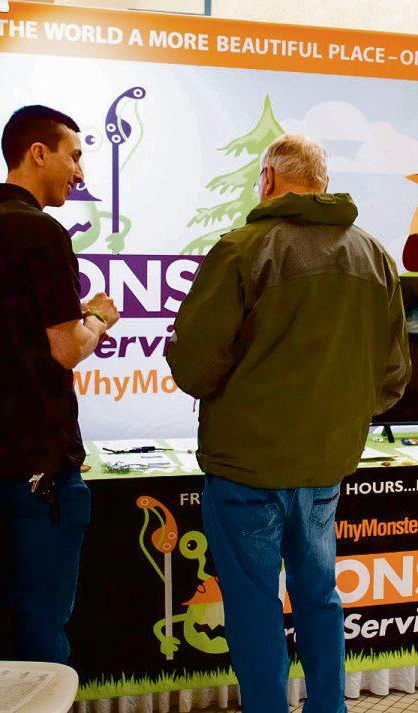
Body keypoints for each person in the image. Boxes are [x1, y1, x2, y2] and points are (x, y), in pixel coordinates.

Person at [166, 134, 411, 713]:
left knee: (254, 607)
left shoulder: (242, 250)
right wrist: (335, 416)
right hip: (325, 467)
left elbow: (195, 367)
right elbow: (394, 375)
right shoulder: (375, 256)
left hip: (246, 469)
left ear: (270, 179)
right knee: (320, 596)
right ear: (323, 184)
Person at [0, 105, 119, 664]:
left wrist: (6, 335)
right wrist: (98, 318)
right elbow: (67, 348)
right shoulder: (42, 231)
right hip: (41, 466)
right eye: (75, 156)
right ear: (38, 153)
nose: (81, 172)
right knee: (41, 621)